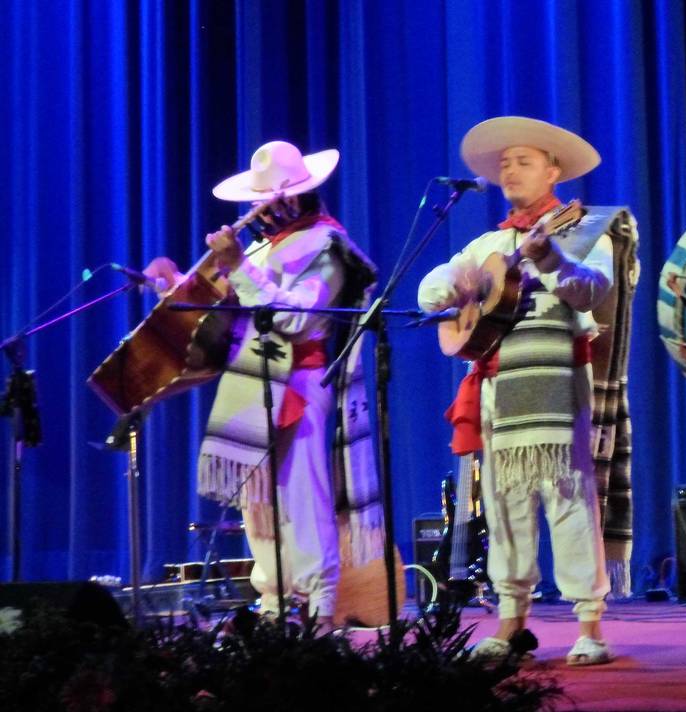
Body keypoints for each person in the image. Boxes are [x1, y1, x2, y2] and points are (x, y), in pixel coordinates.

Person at [418, 117, 637, 666]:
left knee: (569, 500)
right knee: (505, 503)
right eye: (505, 164)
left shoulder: (588, 229)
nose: (511, 171)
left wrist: (550, 259)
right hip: (498, 386)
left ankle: (590, 625)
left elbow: (593, 291)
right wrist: (456, 287)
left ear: (553, 170)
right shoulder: (489, 241)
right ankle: (510, 622)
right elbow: (429, 292)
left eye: (525, 161)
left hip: (559, 383)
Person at [145, 141, 382, 632]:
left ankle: (318, 612)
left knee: (302, 501)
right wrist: (175, 288)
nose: (259, 211)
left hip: (298, 383)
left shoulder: (327, 246)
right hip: (253, 384)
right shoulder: (259, 249)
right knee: (260, 507)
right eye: (258, 201)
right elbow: (224, 312)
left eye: (269, 200)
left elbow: (294, 317)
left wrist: (238, 268)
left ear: (296, 196)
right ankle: (274, 609)